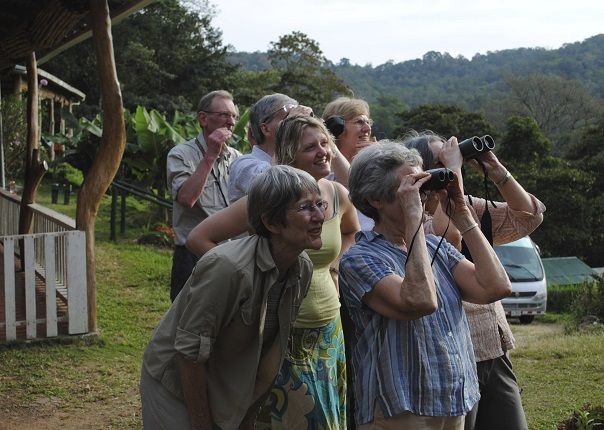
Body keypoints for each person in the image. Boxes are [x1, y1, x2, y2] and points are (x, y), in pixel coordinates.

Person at [187, 116, 360, 429]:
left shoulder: (336, 193)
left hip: (328, 330)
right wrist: (245, 277)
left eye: (325, 143)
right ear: (290, 154)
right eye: (311, 146)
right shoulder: (271, 197)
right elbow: (199, 237)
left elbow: (351, 230)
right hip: (283, 330)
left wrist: (334, 264)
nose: (323, 151)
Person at [338, 142, 512, 429]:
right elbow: (419, 301)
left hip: (452, 399)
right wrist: (415, 220)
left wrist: (463, 215)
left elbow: (495, 287)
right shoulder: (359, 259)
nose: (422, 193)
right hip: (401, 409)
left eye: (422, 182)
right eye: (410, 187)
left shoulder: (435, 246)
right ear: (375, 199)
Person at [140, 165, 323, 430]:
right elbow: (189, 354)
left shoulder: (301, 268)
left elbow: (271, 351)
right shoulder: (227, 268)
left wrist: (248, 418)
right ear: (271, 223)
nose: (320, 216)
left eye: (321, 204)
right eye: (306, 207)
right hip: (176, 384)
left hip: (225, 380)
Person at [404, 131, 546, 430]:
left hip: (492, 345)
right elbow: (450, 237)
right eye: (440, 159)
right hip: (452, 349)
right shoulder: (411, 214)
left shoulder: (469, 205)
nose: (451, 162)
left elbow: (529, 216)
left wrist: (495, 168)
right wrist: (453, 171)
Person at [166, 90, 241, 301]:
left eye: (234, 116)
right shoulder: (181, 154)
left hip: (232, 251)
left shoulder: (237, 158)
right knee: (187, 321)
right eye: (224, 115)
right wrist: (210, 155)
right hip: (193, 255)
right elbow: (186, 199)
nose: (231, 122)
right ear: (203, 118)